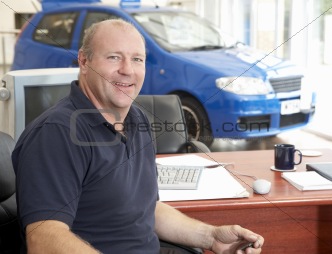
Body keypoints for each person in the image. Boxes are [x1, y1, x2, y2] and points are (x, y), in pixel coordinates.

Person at [12, 19, 264, 254]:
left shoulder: (138, 120)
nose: (127, 70)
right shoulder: (56, 133)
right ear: (84, 62)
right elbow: (43, 237)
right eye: (113, 57)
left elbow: (148, 210)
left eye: (137, 59)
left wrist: (211, 237)